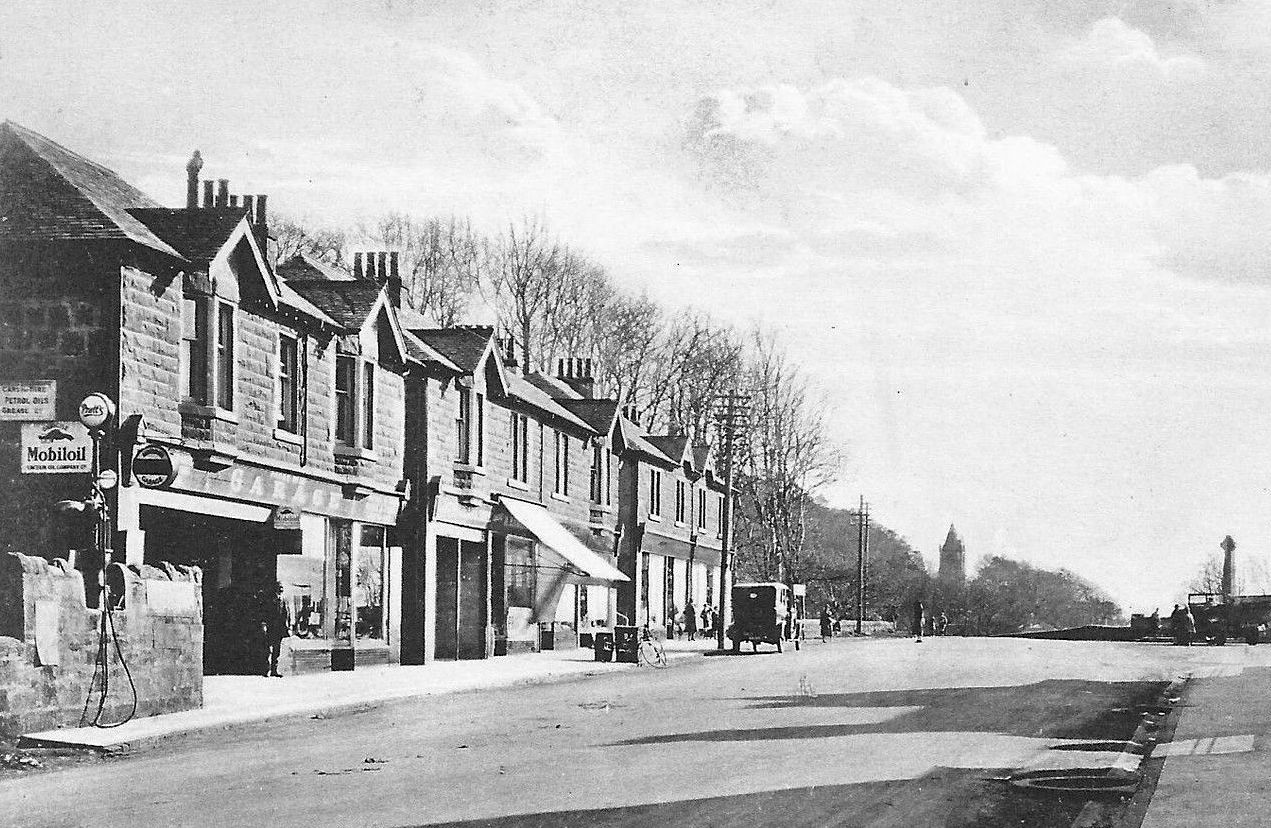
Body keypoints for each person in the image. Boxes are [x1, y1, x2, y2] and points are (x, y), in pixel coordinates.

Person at [264, 581, 293, 677]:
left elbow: (287, 614)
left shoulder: (284, 600)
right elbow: (266, 613)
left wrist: (288, 626)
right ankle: (266, 669)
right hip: (271, 627)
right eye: (279, 587)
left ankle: (274, 670)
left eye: (282, 588)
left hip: (279, 629)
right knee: (268, 649)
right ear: (275, 589)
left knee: (277, 650)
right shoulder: (270, 600)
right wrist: (264, 624)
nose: (281, 589)